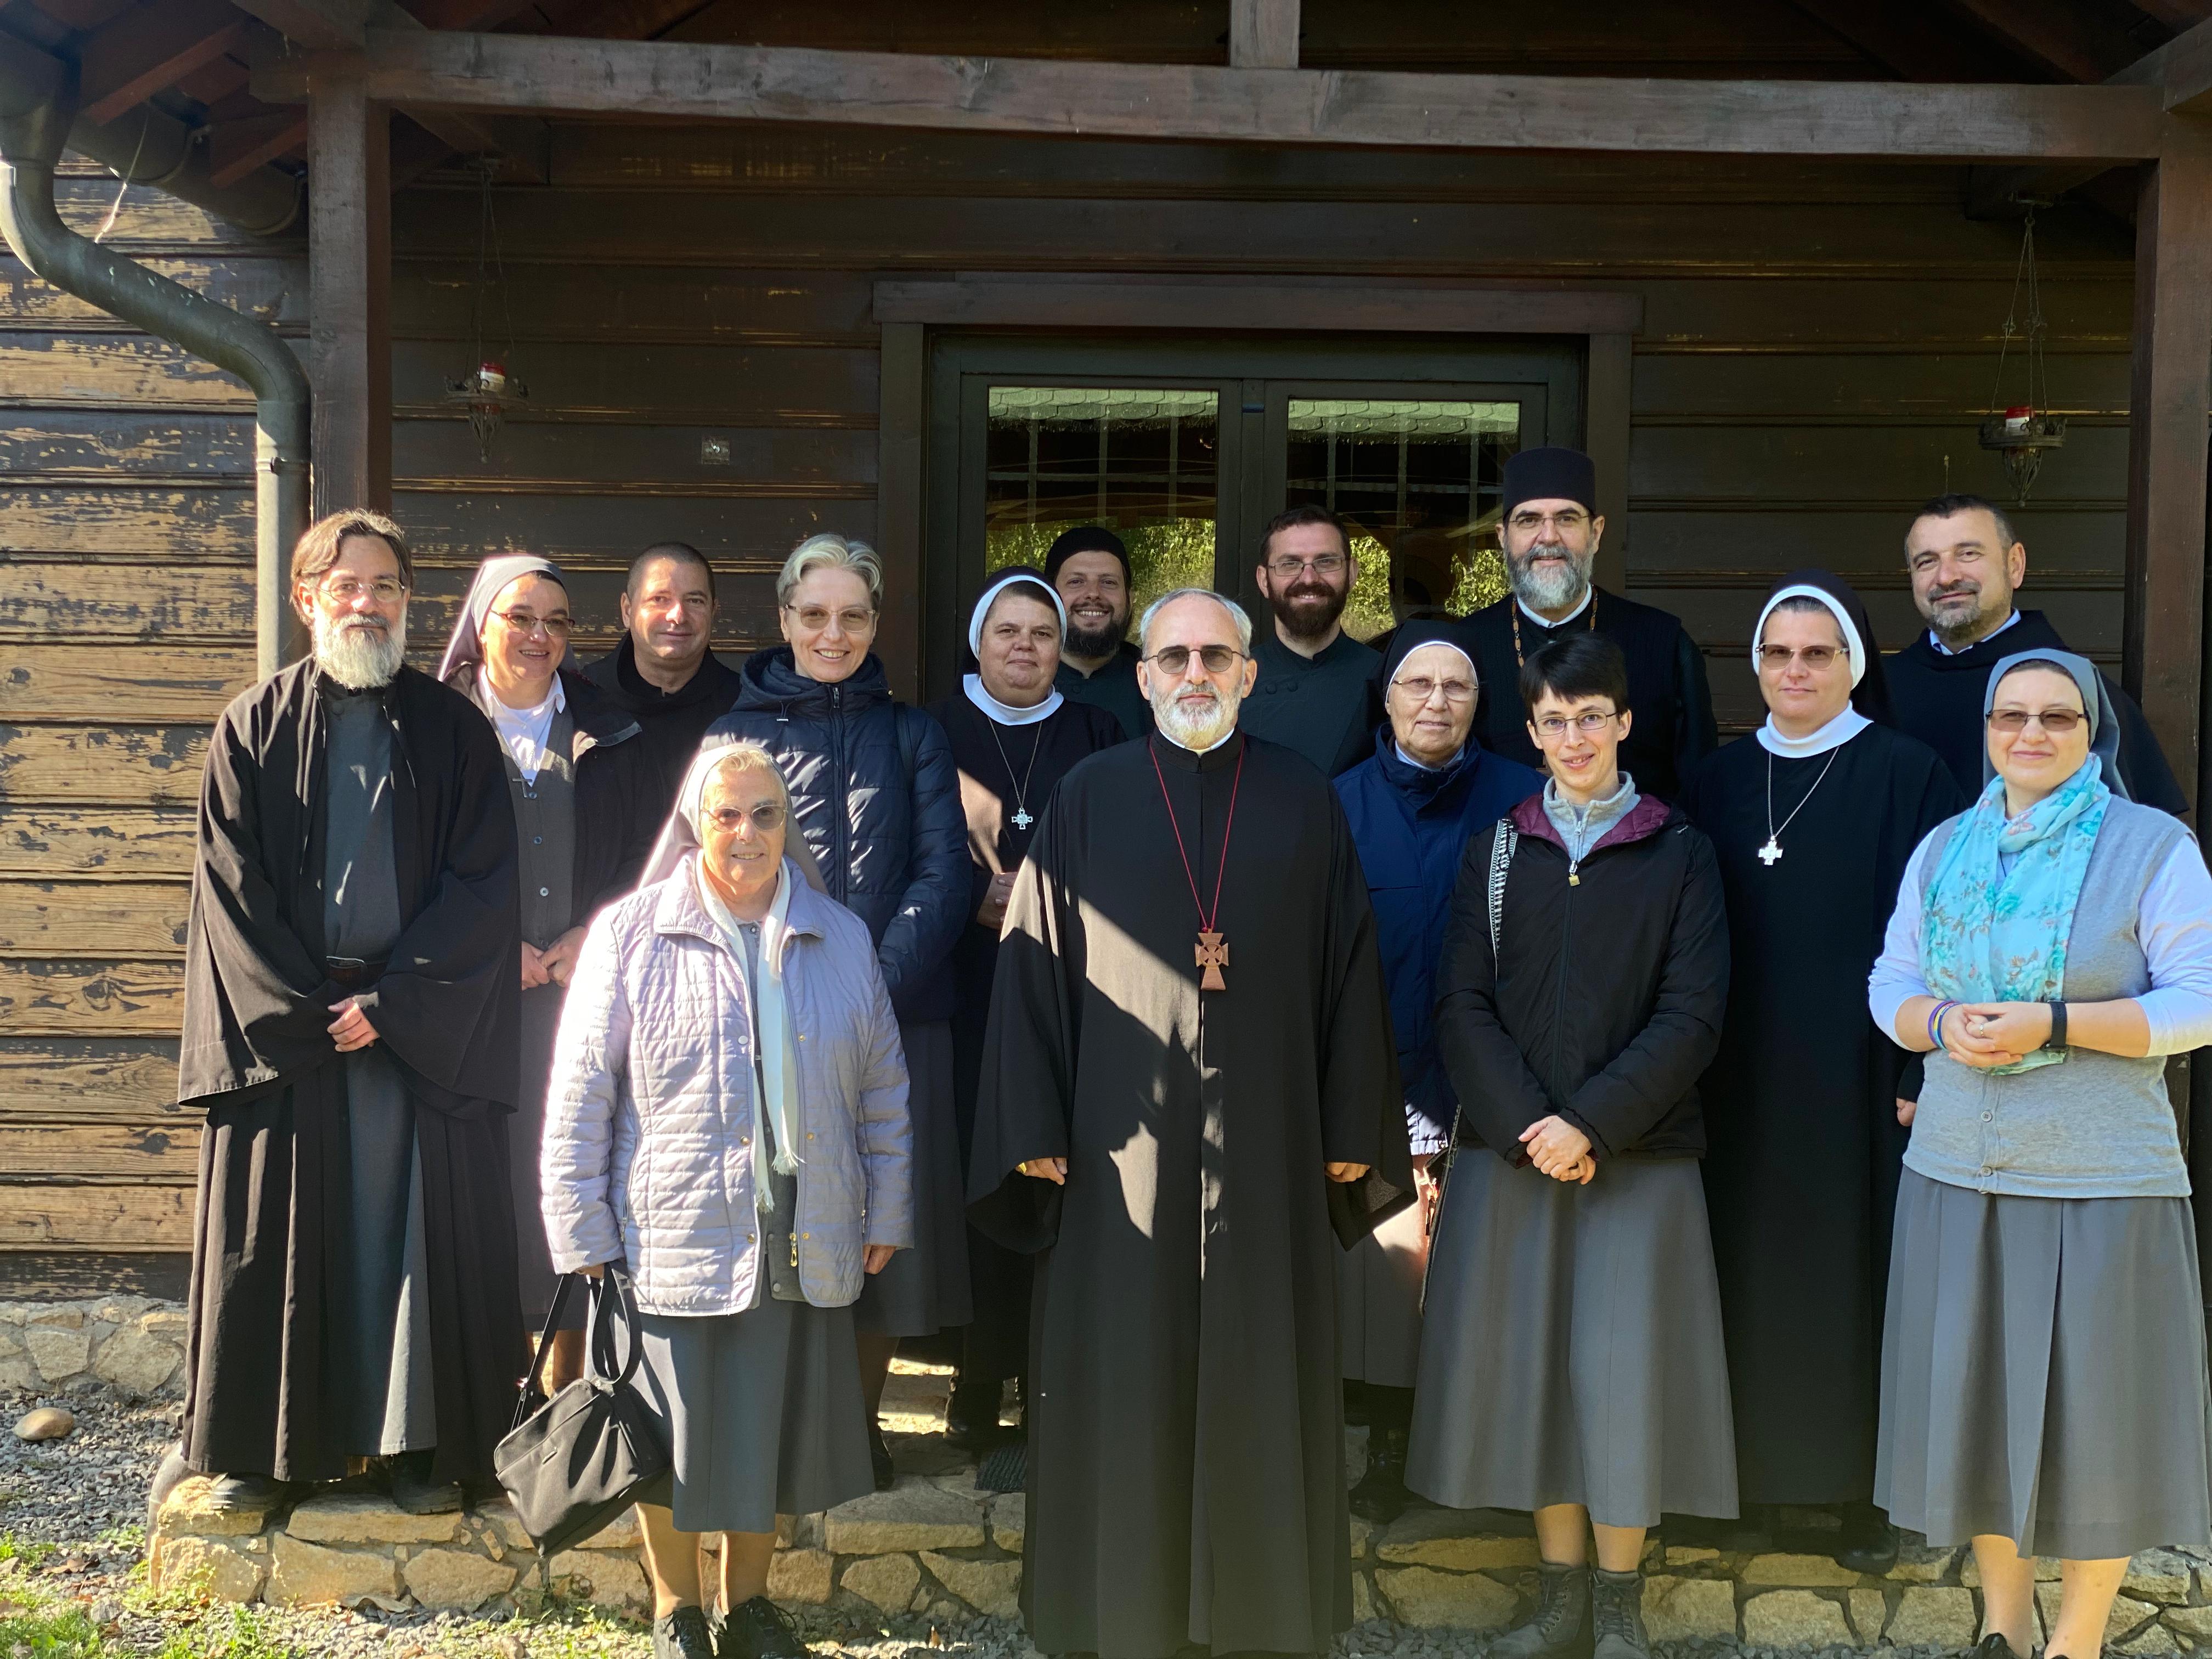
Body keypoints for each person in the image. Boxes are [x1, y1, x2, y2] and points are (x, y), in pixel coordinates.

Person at [970, 586, 1412, 1659]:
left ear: (1250, 675)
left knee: (1260, 1363)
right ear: (1143, 676)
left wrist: (1350, 1123)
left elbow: (1350, 964)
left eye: (1217, 655)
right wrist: (1031, 1120)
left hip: (1271, 1140)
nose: (1196, 673)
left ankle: (1262, 1615)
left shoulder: (1303, 798)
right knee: (1126, 1366)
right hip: (1117, 1147)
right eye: (1174, 657)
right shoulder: (1088, 795)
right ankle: (1118, 1609)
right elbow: (1032, 962)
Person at [175, 510, 523, 1516]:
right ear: (307, 599)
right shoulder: (251, 726)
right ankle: (261, 1457)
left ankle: (423, 1450)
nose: (366, 603)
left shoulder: (456, 730)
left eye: (385, 586)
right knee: (276, 1244)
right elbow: (230, 888)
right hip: (294, 1038)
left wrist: (393, 1001)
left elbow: (483, 885)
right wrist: (311, 1005)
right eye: (346, 585)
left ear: (408, 601)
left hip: (415, 1033)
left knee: (415, 1246)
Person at [1868, 649, 2212, 1659]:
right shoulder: (1944, 848)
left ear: (2091, 731)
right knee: (1979, 1407)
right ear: (1985, 729)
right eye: (2009, 715)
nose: (2029, 733)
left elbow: (2198, 1002)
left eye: (2056, 717)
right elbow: (1891, 981)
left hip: (2100, 1177)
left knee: (2095, 1420)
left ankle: (2077, 1643)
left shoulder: (2153, 846)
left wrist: (2053, 1022)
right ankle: (2002, 1628)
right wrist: (1937, 1021)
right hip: (1956, 1169)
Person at [544, 741, 912, 1659]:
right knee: (668, 1435)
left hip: (803, 1219)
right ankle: (676, 1609)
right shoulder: (631, 932)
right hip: (671, 1223)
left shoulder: (841, 935)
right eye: (726, 814)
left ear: (788, 826)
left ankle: (746, 1606)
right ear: (694, 824)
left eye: (765, 814)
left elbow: (882, 1089)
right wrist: (580, 1226)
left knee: (766, 1428)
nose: (746, 832)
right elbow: (581, 1090)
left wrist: (888, 1207)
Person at [1412, 632, 1735, 1659]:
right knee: (1537, 1377)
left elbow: (1692, 1014)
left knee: (1621, 1377)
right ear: (1534, 731)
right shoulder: (1498, 848)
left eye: (1591, 715)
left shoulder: (1677, 850)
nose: (1575, 736)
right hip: (1513, 1157)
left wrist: (1592, 1123)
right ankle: (1558, 1599)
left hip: (1635, 1160)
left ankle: (1618, 1602)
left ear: (1624, 721)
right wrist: (1529, 1128)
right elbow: (1460, 1002)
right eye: (1554, 720)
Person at [1678, 573, 1962, 1568]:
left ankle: (1863, 1498)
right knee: (1739, 1267)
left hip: (1862, 1073)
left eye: (1817, 654)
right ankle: (1742, 1488)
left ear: (1853, 664)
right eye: (1778, 653)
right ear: (1756, 665)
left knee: (1863, 1273)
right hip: (1737, 1073)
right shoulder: (1715, 778)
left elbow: (1946, 934)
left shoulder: (1909, 773)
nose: (1795, 671)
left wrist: (1922, 1067)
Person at [704, 532, 968, 1489]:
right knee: (779, 1218)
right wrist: (792, 988)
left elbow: (944, 872)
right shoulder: (734, 736)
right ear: (784, 618)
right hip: (767, 1015)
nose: (833, 632)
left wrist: (866, 986)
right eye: (814, 614)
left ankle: (857, 1427)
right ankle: (774, 1426)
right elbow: (714, 867)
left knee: (880, 1224)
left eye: (853, 615)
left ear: (875, 621)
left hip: (898, 1014)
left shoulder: (913, 734)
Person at [1331, 622, 1543, 1523]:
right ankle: (1389, 1447)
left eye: (1456, 686)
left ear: (1479, 703)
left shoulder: (1526, 798)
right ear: (1384, 699)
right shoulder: (1336, 804)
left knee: (1490, 1277)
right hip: (1382, 1076)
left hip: (1500, 1080)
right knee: (1392, 1280)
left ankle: (1492, 1456)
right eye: (1416, 684)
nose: (1436, 701)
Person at [438, 554, 659, 1387]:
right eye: (521, 618)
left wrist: (590, 933)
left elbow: (646, 855)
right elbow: (414, 861)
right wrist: (493, 946)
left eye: (558, 622)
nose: (540, 636)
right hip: (471, 1001)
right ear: (480, 626)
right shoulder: (436, 725)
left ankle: (568, 1386)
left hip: (580, 997)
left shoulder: (612, 729)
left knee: (571, 1177)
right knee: (483, 1188)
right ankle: (487, 1384)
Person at [923, 568, 1122, 1455]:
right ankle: (975, 1376)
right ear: (978, 642)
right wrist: (972, 894)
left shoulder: (1096, 730)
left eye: (1042, 634)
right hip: (965, 987)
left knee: (1058, 1175)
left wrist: (1047, 900)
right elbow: (908, 841)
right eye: (1007, 631)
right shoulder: (933, 730)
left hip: (1072, 990)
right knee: (978, 1176)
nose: (1025, 647)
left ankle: (1051, 1378)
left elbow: (1125, 843)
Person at [1887, 494, 2185, 815]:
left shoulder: (2077, 688)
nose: (1946, 577)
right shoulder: (1879, 689)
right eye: (1927, 561)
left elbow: (2136, 833)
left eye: (1968, 554)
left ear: (2015, 566)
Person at [1457, 447, 1716, 799]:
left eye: (1566, 519)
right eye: (1529, 520)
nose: (1548, 537)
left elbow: (1701, 788)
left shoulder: (1664, 643)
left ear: (1595, 533)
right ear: (1503, 537)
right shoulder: (1464, 647)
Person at [583, 541, 743, 821]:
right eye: (659, 599)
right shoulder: (581, 698)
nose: (677, 616)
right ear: (627, 610)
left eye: (695, 601)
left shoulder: (743, 706)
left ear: (714, 611)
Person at [1238, 504, 1383, 777]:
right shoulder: (1232, 681)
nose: (1308, 578)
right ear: (1264, 580)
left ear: (1352, 573)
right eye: (1289, 564)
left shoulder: (1385, 682)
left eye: (1326, 562)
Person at [1047, 526, 1150, 740]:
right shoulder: (1017, 682)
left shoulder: (1157, 685)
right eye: (1076, 582)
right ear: (1049, 596)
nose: (1093, 593)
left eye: (1108, 582)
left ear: (1130, 599)